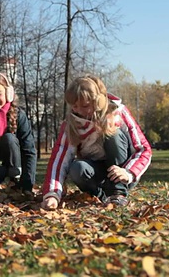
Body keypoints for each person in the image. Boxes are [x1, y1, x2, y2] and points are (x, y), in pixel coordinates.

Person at [41, 75, 152, 209]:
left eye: (85, 105)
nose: (79, 111)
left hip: (123, 171)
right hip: (95, 171)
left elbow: (143, 149)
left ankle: (118, 193)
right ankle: (101, 196)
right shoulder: (71, 124)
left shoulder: (119, 113)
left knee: (113, 134)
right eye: (75, 106)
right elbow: (59, 160)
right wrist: (52, 194)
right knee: (77, 168)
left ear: (98, 101)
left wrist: (128, 172)